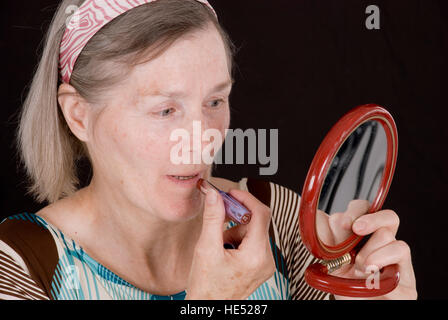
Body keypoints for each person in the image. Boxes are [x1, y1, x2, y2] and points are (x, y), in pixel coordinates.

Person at [0, 0, 416, 300]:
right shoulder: (21, 268)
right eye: (165, 109)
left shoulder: (278, 221)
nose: (202, 137)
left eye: (215, 102)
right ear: (78, 116)